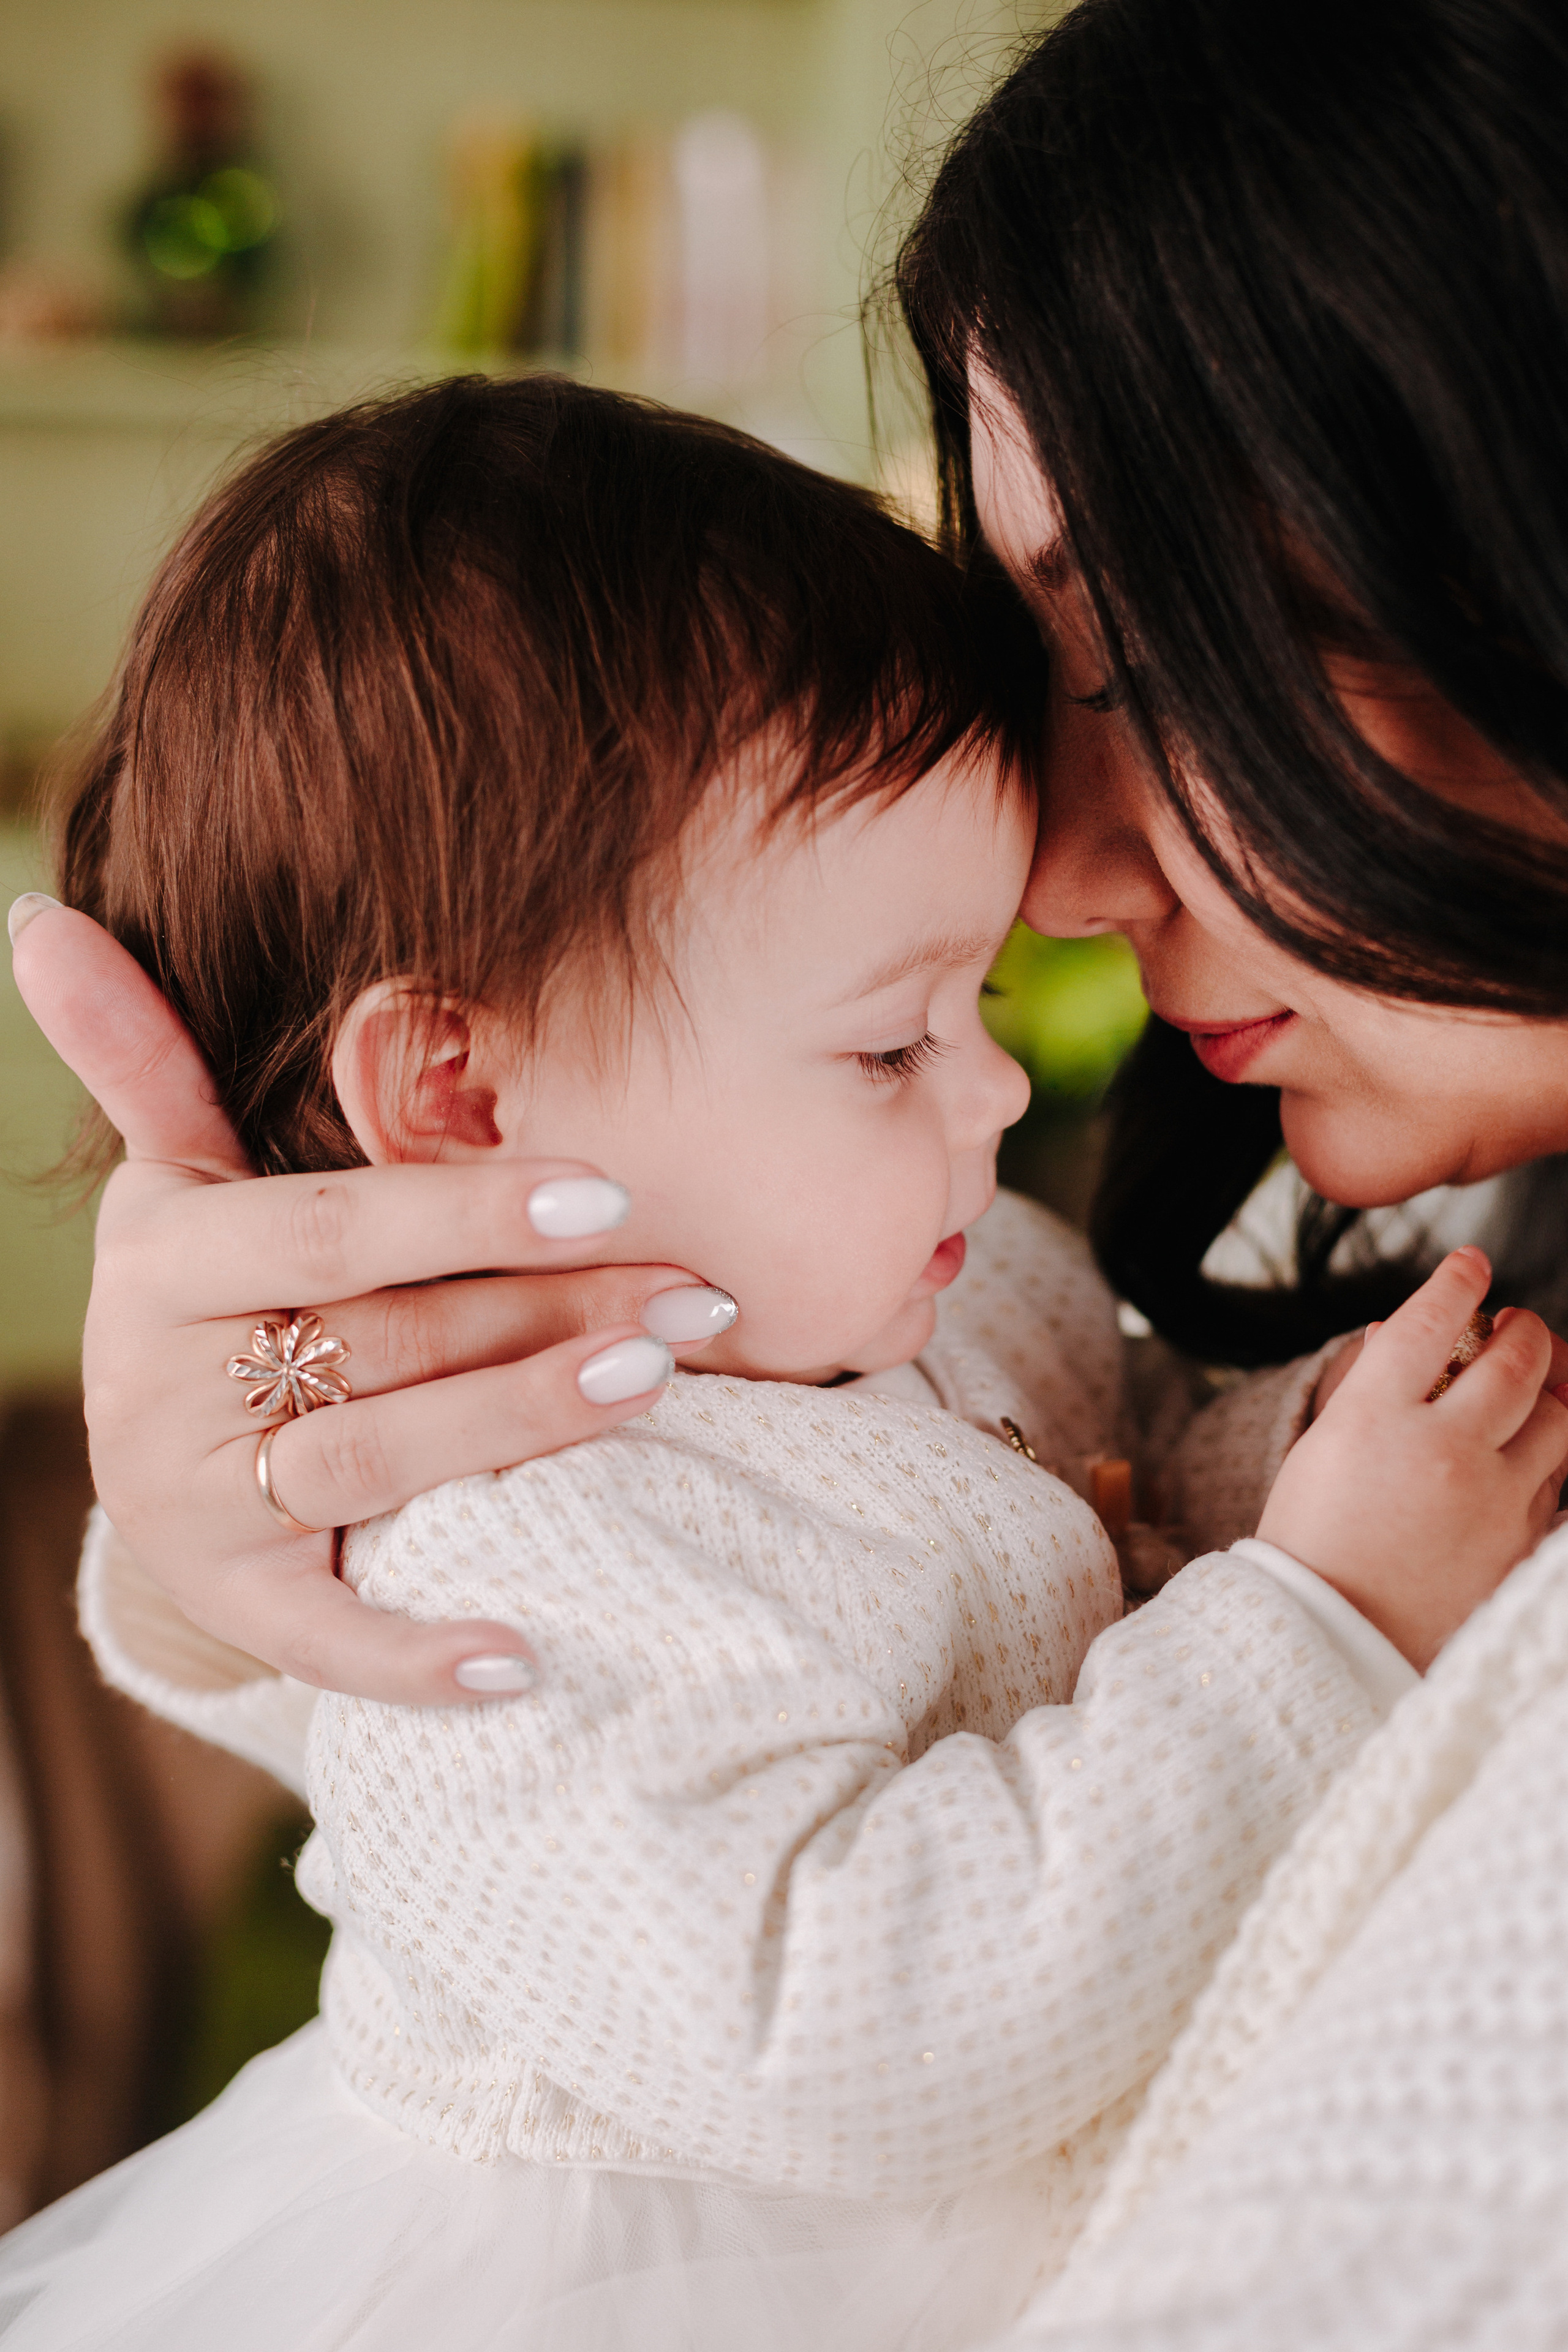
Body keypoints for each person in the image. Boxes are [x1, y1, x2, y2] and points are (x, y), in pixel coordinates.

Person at [2, 369, 1539, 2349]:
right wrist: (1327, 1621)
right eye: (892, 1042)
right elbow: (851, 2036)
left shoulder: (951, 1284)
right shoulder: (510, 1553)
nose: (997, 1088)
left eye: (980, 1002)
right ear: (462, 1093)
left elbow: (1128, 1467)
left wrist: (1316, 1444)